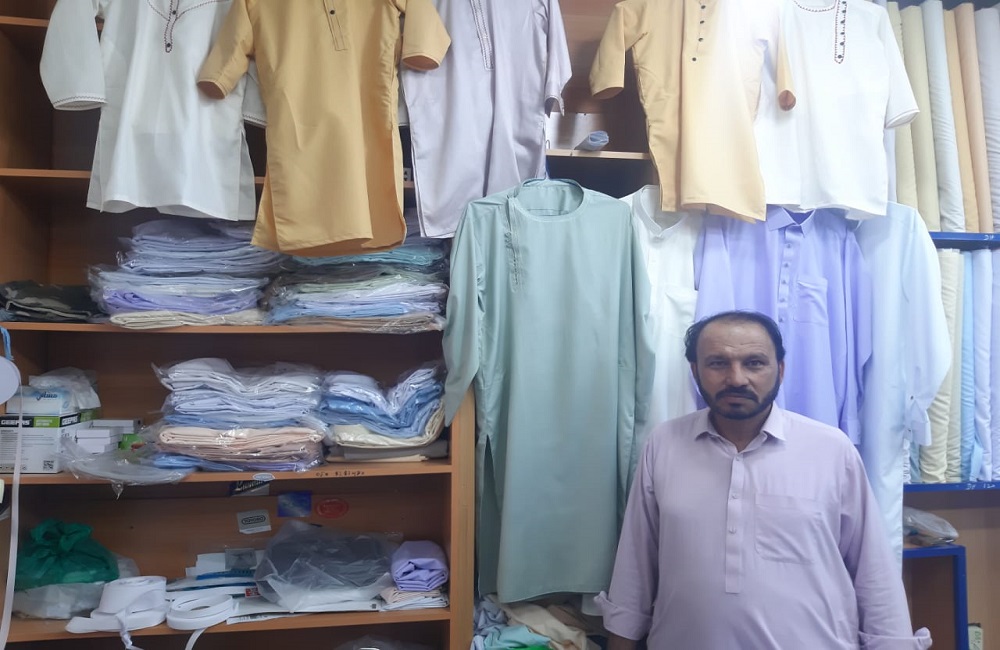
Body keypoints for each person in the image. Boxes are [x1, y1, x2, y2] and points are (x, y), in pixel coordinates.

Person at [596, 311, 932, 649]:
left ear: (780, 370)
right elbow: (635, 566)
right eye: (717, 363)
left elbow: (874, 572)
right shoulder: (665, 444)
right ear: (695, 371)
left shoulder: (831, 449)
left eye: (754, 363)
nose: (736, 378)